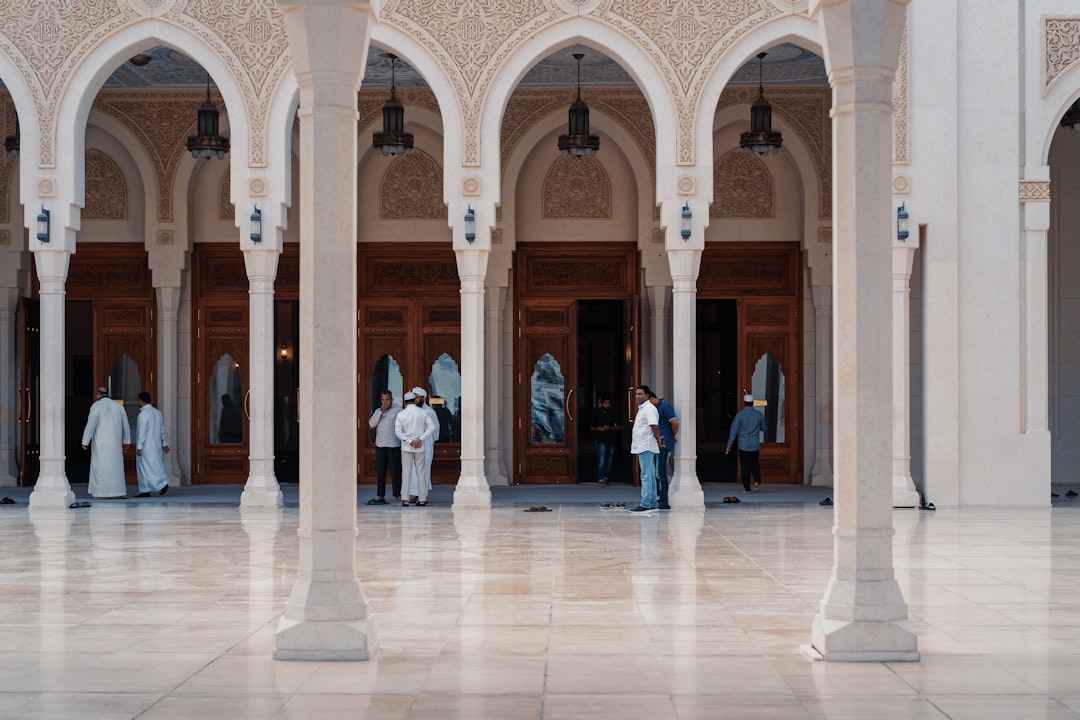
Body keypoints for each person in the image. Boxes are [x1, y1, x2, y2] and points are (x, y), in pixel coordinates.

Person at [81, 387, 132, 499]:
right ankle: (120, 492)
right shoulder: (118, 406)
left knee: (101, 467)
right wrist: (127, 441)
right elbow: (126, 425)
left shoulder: (96, 406)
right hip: (115, 443)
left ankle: (101, 493)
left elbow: (91, 424)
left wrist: (85, 441)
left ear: (98, 395)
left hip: (101, 443)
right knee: (117, 467)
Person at [395, 391, 436, 506]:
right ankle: (422, 498)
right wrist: (421, 439)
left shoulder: (401, 414)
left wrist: (409, 441)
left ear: (405, 402)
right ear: (414, 400)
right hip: (419, 447)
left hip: (406, 447)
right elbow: (431, 427)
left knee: (406, 472)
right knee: (421, 473)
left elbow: (398, 432)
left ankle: (405, 498)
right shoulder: (423, 412)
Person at [628, 385, 662, 515]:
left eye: (640, 394)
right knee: (650, 475)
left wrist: (658, 439)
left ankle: (646, 504)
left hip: (646, 445)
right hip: (643, 445)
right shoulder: (643, 408)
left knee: (646, 475)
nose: (637, 396)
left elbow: (654, 426)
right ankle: (652, 503)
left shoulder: (649, 409)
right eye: (636, 394)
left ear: (647, 395)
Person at [727, 393, 768, 493]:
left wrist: (729, 445)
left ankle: (747, 489)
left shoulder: (740, 415)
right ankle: (757, 481)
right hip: (755, 445)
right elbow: (764, 428)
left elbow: (733, 431)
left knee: (745, 466)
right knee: (755, 464)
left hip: (744, 445)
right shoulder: (759, 415)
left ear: (744, 403)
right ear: (753, 403)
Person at [366, 390, 402, 505]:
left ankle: (398, 495)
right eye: (383, 400)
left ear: (392, 399)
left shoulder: (398, 410)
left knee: (396, 471)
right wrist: (381, 412)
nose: (385, 402)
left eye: (387, 399)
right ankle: (380, 495)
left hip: (394, 445)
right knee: (380, 471)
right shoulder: (378, 411)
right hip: (381, 445)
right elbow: (371, 424)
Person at [135, 391, 170, 497]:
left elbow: (142, 432)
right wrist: (164, 443)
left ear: (141, 401)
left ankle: (162, 484)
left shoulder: (143, 414)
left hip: (146, 446)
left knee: (145, 468)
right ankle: (145, 490)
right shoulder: (157, 412)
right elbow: (162, 430)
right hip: (156, 445)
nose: (137, 402)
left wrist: (139, 447)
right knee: (155, 465)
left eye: (138, 400)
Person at [649, 391, 679, 509]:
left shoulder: (664, 406)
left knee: (660, 472)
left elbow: (674, 422)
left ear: (651, 399)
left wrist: (672, 435)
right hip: (657, 443)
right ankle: (658, 497)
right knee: (657, 471)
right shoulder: (656, 407)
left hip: (664, 443)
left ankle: (664, 500)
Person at [412, 387, 439, 502]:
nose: (415, 400)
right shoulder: (412, 410)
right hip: (413, 445)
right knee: (414, 471)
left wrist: (430, 441)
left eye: (417, 397)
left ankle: (422, 496)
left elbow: (435, 428)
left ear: (423, 398)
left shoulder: (429, 412)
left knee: (423, 470)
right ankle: (416, 495)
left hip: (425, 444)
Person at [589, 396, 621, 486]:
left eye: (609, 403)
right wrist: (598, 428)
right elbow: (591, 427)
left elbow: (619, 426)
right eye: (605, 403)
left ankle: (606, 478)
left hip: (611, 439)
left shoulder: (613, 413)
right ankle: (600, 479)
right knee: (602, 459)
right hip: (600, 439)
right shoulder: (596, 413)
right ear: (601, 404)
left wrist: (610, 427)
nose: (607, 405)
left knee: (609, 460)